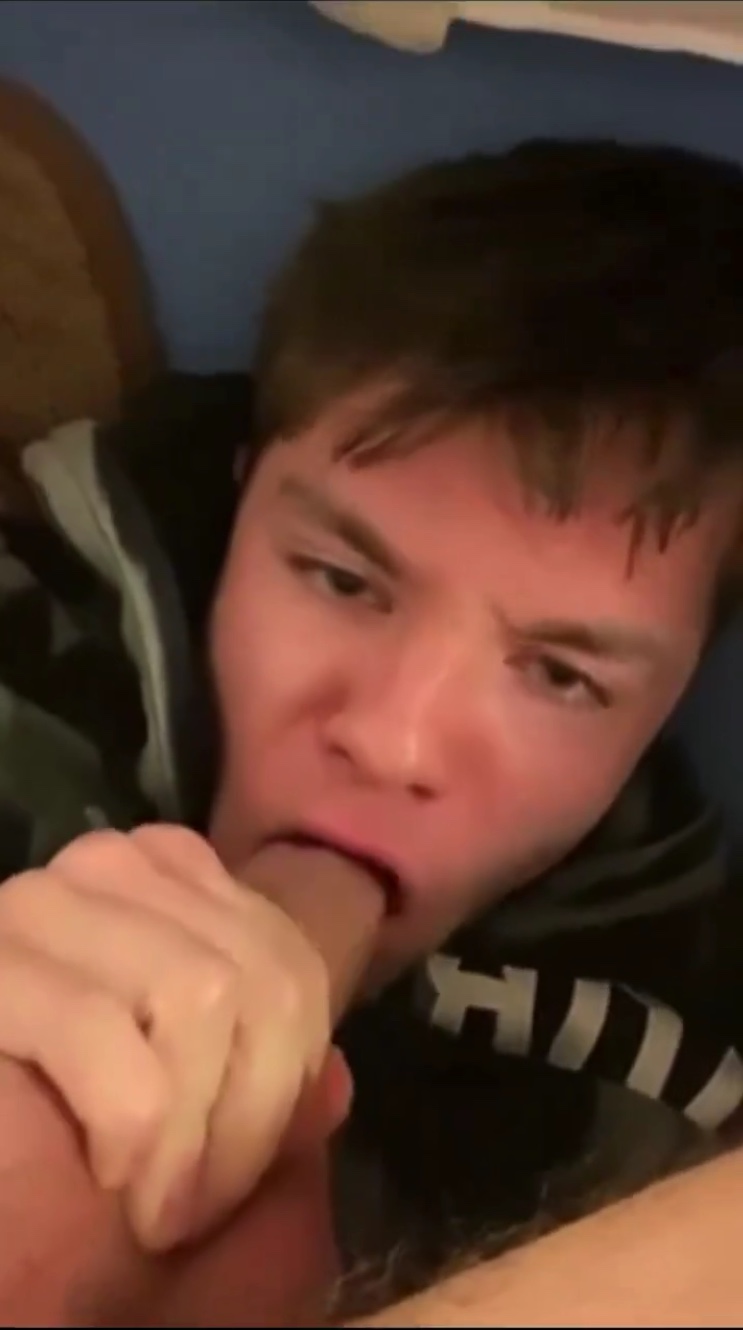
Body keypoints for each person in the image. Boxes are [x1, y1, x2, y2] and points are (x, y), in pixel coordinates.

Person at [0, 136, 743, 1323]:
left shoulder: (666, 1097)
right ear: (241, 495)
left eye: (558, 676)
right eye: (342, 579)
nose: (394, 743)